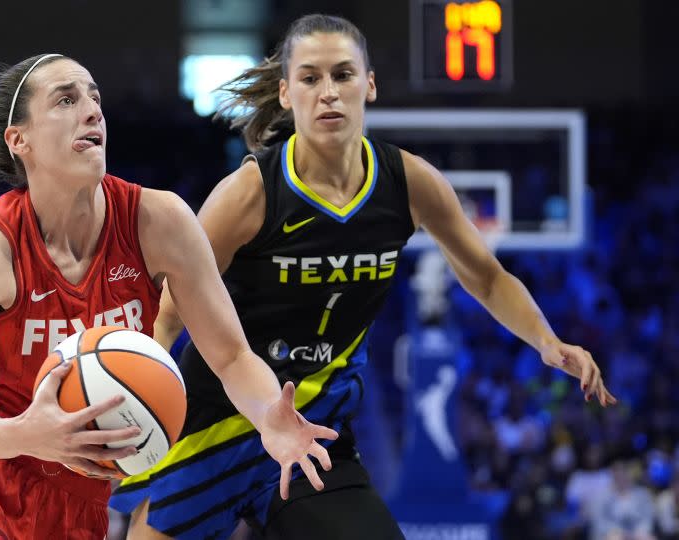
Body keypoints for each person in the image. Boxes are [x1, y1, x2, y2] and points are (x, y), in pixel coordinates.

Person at [114, 13, 617, 540]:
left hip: (317, 433)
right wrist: (136, 396)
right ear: (286, 94)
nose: (327, 92)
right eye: (310, 78)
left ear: (369, 84)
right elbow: (171, 308)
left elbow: (486, 278)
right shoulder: (249, 193)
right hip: (213, 427)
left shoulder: (410, 183)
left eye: (342, 75)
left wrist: (546, 340)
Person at [0, 53, 336, 539]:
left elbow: (230, 355)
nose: (93, 110)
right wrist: (30, 432)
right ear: (20, 140)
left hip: (75, 495)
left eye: (95, 97)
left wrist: (269, 416)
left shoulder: (160, 222)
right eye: (66, 100)